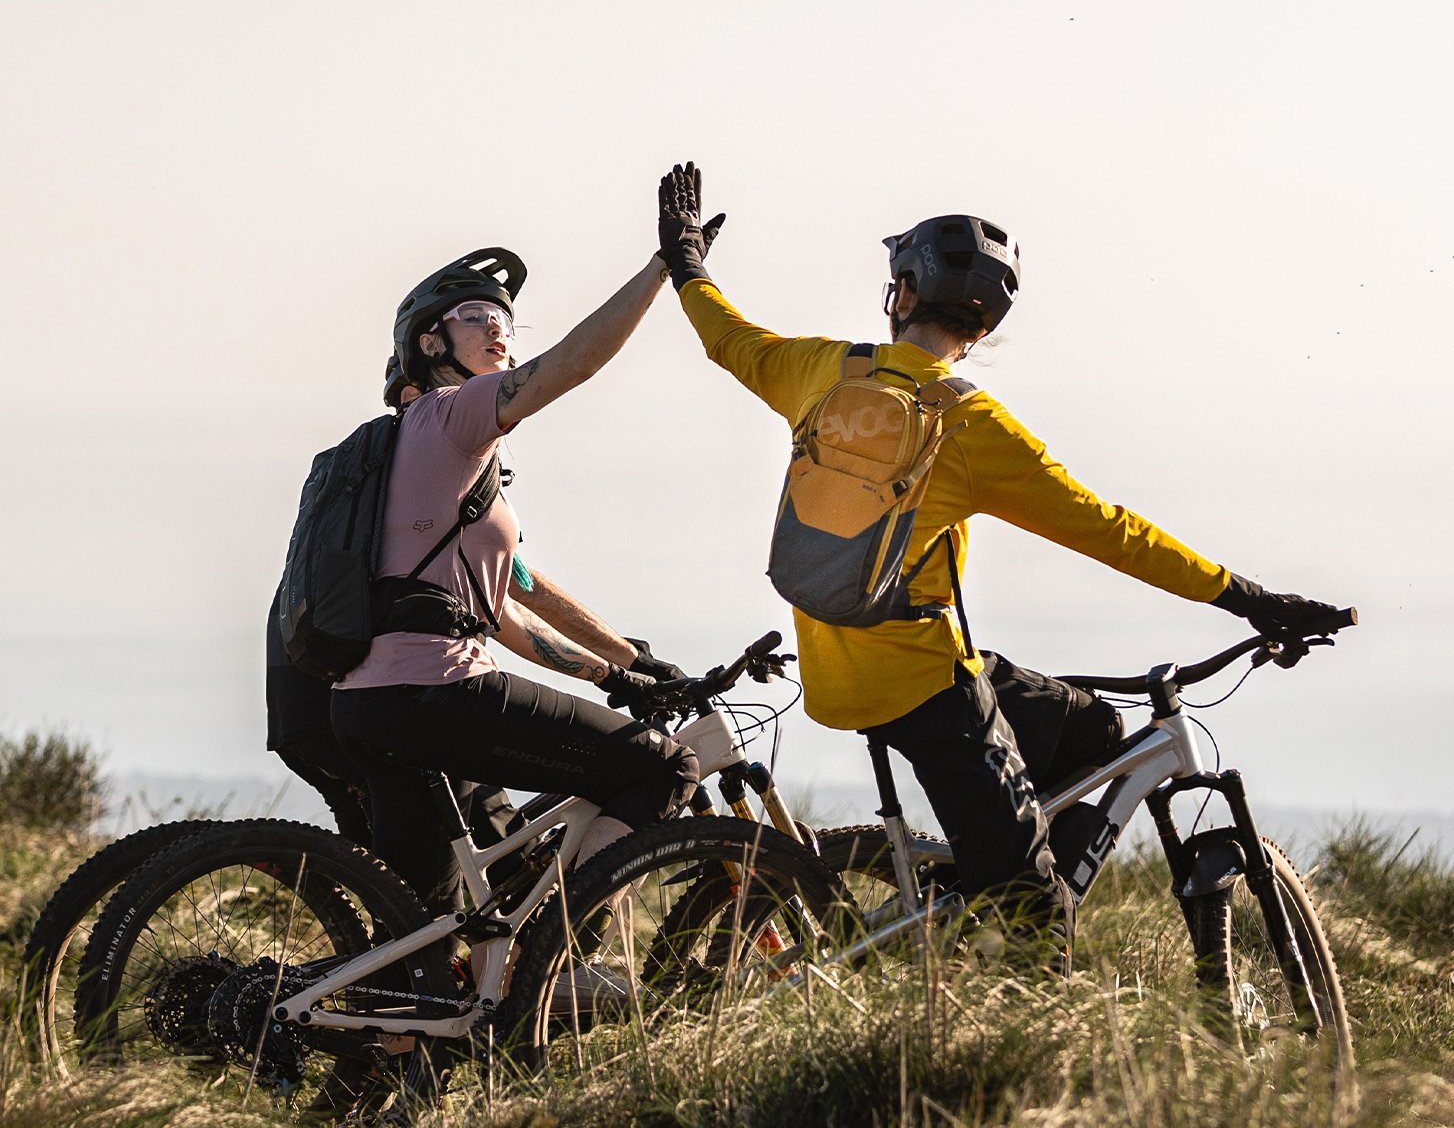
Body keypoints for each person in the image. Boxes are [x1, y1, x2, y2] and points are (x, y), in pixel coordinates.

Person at [656, 162, 1337, 956]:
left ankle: (990, 855)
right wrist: (1246, 596)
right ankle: (1001, 907)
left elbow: (724, 335)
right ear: (981, 329)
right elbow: (1108, 528)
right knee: (1039, 914)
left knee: (1095, 730)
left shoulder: (820, 371)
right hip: (924, 684)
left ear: (901, 295)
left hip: (833, 666)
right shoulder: (973, 427)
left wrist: (686, 255)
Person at [330, 244, 700, 917]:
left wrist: (618, 670)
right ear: (430, 340)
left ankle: (394, 1018)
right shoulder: (454, 413)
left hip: (369, 700)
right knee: (664, 766)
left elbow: (503, 607)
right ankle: (556, 961)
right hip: (438, 688)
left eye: (505, 317)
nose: (498, 326)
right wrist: (660, 269)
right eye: (475, 315)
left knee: (427, 939)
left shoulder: (423, 456)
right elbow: (572, 363)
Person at [267, 357, 686, 858]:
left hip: (313, 702)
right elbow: (521, 595)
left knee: (414, 894)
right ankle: (560, 932)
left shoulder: (369, 487)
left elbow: (511, 595)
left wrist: (619, 665)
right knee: (503, 852)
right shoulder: (425, 468)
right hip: (395, 695)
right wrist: (628, 664)